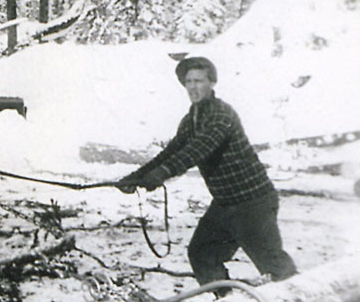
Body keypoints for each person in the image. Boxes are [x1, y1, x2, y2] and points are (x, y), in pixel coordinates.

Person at [117, 56, 297, 287]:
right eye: (189, 81)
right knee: (202, 254)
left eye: (199, 80)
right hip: (224, 204)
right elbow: (172, 151)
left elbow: (196, 150)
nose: (193, 86)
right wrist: (138, 176)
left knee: (273, 265)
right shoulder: (191, 119)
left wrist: (161, 174)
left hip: (253, 203)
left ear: (212, 83)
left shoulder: (222, 115)